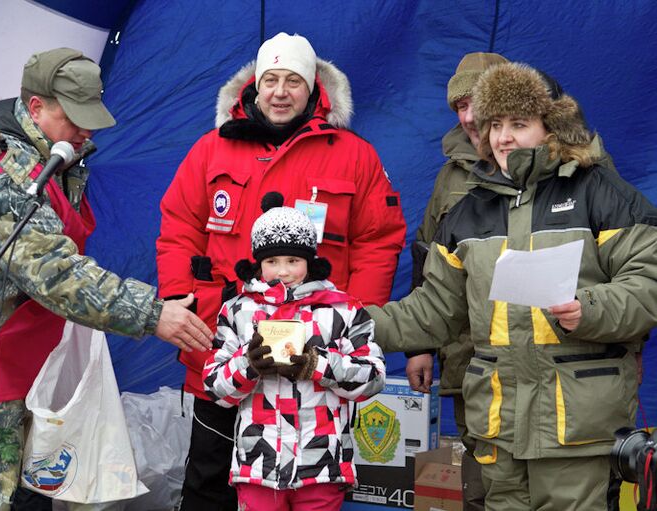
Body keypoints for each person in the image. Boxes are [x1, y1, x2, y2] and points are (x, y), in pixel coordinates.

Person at [0, 48, 213, 510]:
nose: (85, 130)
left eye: (91, 116)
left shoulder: (44, 158)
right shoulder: (7, 178)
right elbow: (55, 273)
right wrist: (151, 313)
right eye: (73, 117)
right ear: (35, 108)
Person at [367, 61, 657, 511]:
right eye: (495, 125)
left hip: (577, 426)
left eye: (519, 124)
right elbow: (431, 312)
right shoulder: (468, 212)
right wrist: (350, 324)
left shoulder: (600, 191)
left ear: (551, 127)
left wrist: (592, 308)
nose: (504, 138)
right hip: (498, 427)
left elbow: (648, 280)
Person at [157, 32, 406, 510]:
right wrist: (177, 296)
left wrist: (356, 317)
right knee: (209, 477)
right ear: (254, 85)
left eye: (293, 80)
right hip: (225, 341)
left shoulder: (354, 155)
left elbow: (378, 239)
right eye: (270, 79)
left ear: (313, 90)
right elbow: (177, 227)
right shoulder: (211, 149)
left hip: (315, 361)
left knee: (310, 486)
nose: (280, 91)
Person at [202, 192, 386, 511]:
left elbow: (373, 378)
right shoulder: (237, 312)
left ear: (310, 262)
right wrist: (250, 364)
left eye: (293, 261)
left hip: (322, 465)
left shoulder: (343, 310)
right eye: (272, 261)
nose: (283, 271)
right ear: (258, 263)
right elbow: (215, 388)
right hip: (258, 466)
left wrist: (318, 365)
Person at [405, 52, 507, 511]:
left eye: (476, 102)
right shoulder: (451, 177)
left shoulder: (559, 163)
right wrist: (419, 345)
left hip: (545, 356)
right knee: (479, 474)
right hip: (469, 355)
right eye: (458, 107)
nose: (467, 117)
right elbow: (426, 258)